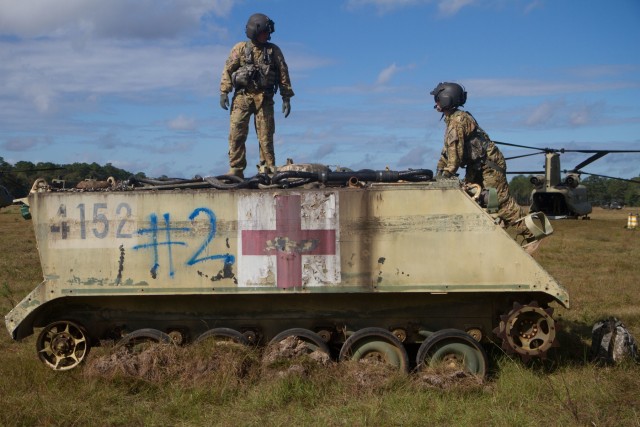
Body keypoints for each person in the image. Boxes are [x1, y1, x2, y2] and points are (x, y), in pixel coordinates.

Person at [430, 82, 536, 245]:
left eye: (437, 99)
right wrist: (438, 173)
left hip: (489, 165)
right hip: (477, 166)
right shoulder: (453, 120)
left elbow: (454, 154)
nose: (435, 103)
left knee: (500, 202)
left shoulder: (457, 121)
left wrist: (447, 173)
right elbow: (448, 151)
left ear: (446, 99)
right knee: (470, 198)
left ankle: (533, 234)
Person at [220, 13, 294, 178]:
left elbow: (283, 73)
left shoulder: (273, 51)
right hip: (242, 97)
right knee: (237, 133)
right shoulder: (239, 49)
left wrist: (286, 96)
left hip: (265, 98)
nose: (267, 36)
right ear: (255, 31)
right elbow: (228, 69)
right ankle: (236, 168)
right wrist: (224, 91)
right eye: (264, 32)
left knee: (266, 135)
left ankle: (266, 167)